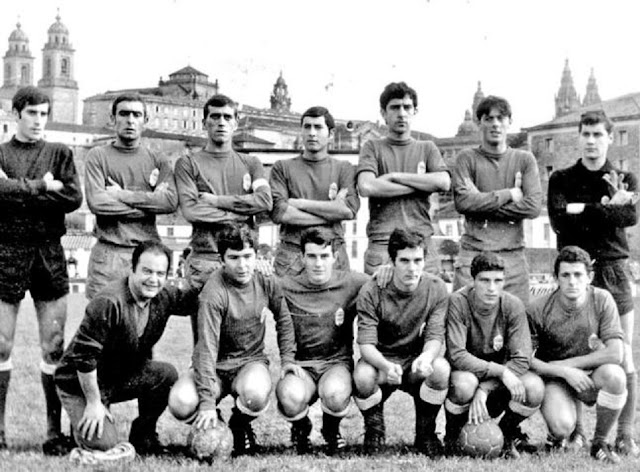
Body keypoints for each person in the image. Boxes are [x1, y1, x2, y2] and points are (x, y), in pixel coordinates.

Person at [547, 110, 639, 456]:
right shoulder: (562, 178)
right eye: (586, 133)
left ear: (609, 138)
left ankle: (626, 434)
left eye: (598, 134)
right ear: (578, 136)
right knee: (575, 351)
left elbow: (629, 215)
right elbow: (558, 221)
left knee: (623, 354)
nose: (591, 140)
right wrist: (603, 209)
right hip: (574, 270)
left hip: (613, 270)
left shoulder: (624, 178)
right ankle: (578, 432)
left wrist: (580, 211)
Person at [54, 240, 196, 456]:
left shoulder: (164, 295)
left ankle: (143, 436)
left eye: (160, 273)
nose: (153, 279)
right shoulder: (109, 301)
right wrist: (94, 402)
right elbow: (84, 357)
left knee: (166, 375)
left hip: (118, 377)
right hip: (79, 382)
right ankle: (81, 430)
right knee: (105, 446)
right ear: (132, 269)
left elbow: (199, 299)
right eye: (147, 271)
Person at [0, 86, 82, 454]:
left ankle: (53, 432)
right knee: (1, 344)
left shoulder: (60, 153)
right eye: (32, 113)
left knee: (53, 345)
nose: (38, 120)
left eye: (44, 114)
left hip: (49, 252)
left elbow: (72, 197)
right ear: (17, 113)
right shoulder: (1, 153)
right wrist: (41, 187)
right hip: (7, 251)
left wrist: (21, 193)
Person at [168, 223, 298, 456]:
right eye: (234, 257)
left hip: (249, 363)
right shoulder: (213, 292)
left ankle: (240, 424)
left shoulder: (266, 279)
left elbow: (284, 320)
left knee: (256, 393)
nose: (242, 265)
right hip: (215, 366)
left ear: (256, 256)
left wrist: (288, 358)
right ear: (222, 259)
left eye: (248, 256)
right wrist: (207, 403)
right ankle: (214, 422)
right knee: (181, 402)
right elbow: (206, 348)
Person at [175, 94, 272, 339]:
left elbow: (264, 201)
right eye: (215, 116)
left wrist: (218, 202)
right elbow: (192, 210)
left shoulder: (251, 163)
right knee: (205, 339)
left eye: (227, 117)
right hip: (205, 259)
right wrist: (241, 212)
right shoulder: (188, 163)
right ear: (204, 122)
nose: (221, 122)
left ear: (236, 123)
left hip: (242, 259)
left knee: (242, 336)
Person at [353, 228, 450, 456]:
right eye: (404, 261)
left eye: (418, 260)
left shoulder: (436, 288)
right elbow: (366, 345)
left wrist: (426, 357)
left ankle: (425, 433)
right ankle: (374, 431)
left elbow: (435, 336)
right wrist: (386, 366)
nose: (412, 268)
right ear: (392, 262)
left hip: (415, 360)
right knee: (363, 376)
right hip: (383, 362)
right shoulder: (372, 290)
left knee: (440, 369)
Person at [528, 246, 627, 464]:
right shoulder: (538, 308)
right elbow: (526, 359)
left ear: (589, 277)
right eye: (565, 275)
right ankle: (565, 435)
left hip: (589, 376)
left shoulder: (602, 299)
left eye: (578, 275)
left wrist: (570, 366)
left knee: (616, 376)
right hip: (556, 378)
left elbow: (616, 352)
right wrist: (563, 371)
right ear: (556, 278)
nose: (572, 281)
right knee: (562, 426)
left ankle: (599, 442)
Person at [276, 228, 368, 454]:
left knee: (335, 394)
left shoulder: (352, 282)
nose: (318, 263)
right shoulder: (285, 285)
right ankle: (301, 428)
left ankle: (331, 428)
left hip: (335, 363)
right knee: (289, 396)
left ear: (335, 257)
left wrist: (386, 271)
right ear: (302, 258)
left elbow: (381, 286)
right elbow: (256, 287)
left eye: (324, 256)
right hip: (301, 367)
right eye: (312, 256)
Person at [445, 252, 544, 458]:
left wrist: (486, 388)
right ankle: (453, 435)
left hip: (497, 383)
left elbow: (522, 358)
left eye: (498, 281)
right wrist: (498, 371)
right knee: (464, 384)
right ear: (473, 281)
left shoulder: (513, 305)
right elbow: (457, 354)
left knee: (533, 387)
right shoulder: (458, 301)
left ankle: (506, 436)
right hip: (468, 376)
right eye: (485, 280)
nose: (492, 288)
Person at [84, 93, 178, 299]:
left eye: (136, 114)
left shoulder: (157, 159)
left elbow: (170, 202)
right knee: (102, 323)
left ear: (145, 121)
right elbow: (97, 203)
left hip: (147, 255)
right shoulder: (98, 156)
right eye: (124, 114)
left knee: (143, 325)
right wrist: (149, 203)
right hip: (109, 253)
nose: (130, 120)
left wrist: (120, 195)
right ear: (112, 119)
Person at [452, 95, 542, 305]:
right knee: (463, 319)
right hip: (473, 253)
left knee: (518, 322)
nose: (495, 124)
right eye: (488, 118)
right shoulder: (466, 158)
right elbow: (463, 203)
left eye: (501, 118)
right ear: (479, 123)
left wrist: (480, 203)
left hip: (512, 256)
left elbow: (533, 206)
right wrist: (509, 195)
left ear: (510, 121)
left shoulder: (524, 159)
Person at [356, 82, 450, 275]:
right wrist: (422, 184)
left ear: (415, 111)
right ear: (383, 113)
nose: (401, 113)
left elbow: (443, 182)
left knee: (428, 303)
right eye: (395, 107)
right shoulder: (372, 147)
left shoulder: (427, 148)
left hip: (421, 242)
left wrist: (394, 176)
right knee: (381, 303)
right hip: (383, 243)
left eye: (407, 107)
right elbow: (366, 186)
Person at [270, 106, 359, 276]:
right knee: (285, 301)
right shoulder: (282, 167)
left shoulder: (344, 168)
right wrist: (331, 212)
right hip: (292, 253)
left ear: (331, 134)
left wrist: (299, 203)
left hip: (332, 251)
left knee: (337, 301)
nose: (312, 133)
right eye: (307, 127)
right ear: (301, 131)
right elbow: (280, 213)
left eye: (318, 127)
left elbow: (348, 211)